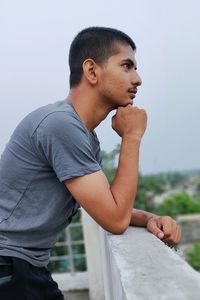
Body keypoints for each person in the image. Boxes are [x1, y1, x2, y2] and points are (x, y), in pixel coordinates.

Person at [0, 27, 181, 299]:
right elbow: (115, 220)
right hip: (9, 267)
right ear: (92, 71)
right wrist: (132, 136)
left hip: (25, 266)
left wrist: (149, 219)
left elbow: (105, 204)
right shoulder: (60, 125)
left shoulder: (82, 134)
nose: (138, 79)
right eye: (127, 66)